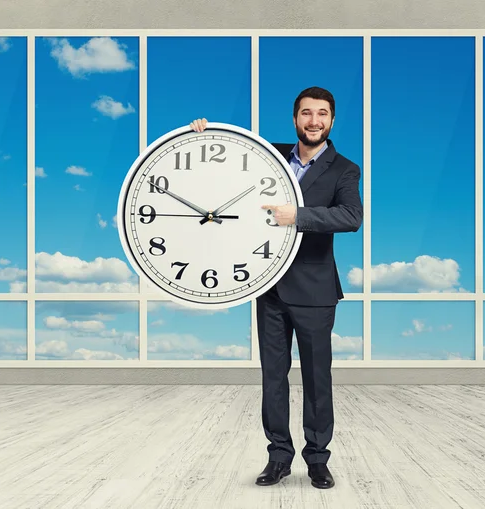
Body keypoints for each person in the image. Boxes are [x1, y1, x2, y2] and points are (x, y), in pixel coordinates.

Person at [189, 86, 363, 490]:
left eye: (322, 114)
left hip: (316, 290)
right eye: (306, 113)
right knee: (274, 378)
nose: (314, 121)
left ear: (332, 120)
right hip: (268, 288)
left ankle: (318, 460)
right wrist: (200, 134)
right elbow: (228, 154)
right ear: (295, 118)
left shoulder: (344, 169)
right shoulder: (270, 154)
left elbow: (351, 216)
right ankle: (279, 458)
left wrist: (297, 215)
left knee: (318, 379)